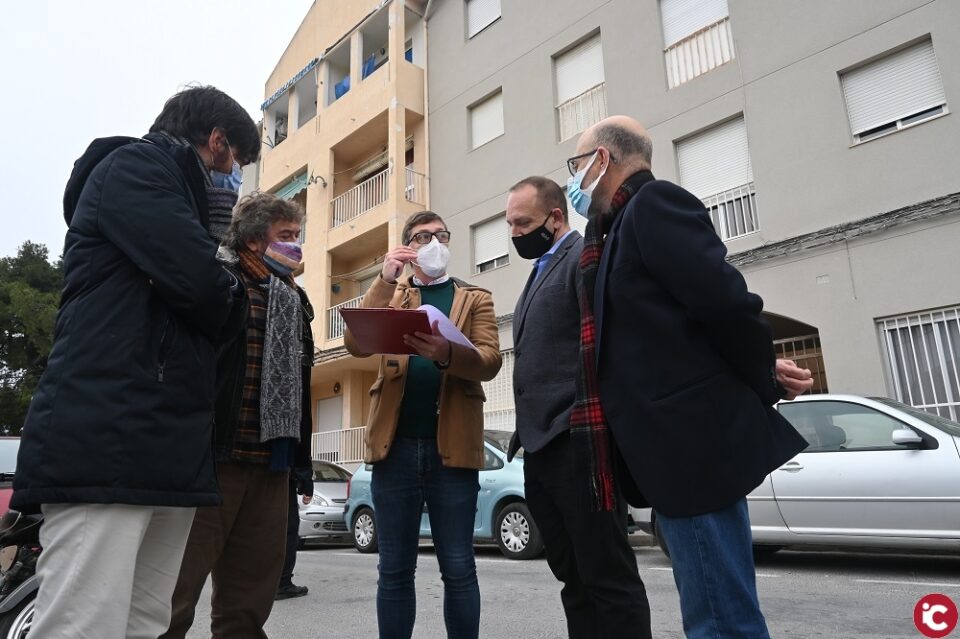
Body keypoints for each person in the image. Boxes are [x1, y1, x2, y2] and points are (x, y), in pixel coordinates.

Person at [10, 86, 258, 638]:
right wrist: (223, 285)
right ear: (217, 141)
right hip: (106, 443)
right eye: (238, 161)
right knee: (83, 623)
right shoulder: (134, 167)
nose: (236, 179)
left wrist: (217, 285)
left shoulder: (184, 208)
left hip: (165, 449)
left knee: (144, 623)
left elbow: (212, 302)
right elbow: (207, 289)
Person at [564, 115, 813, 639]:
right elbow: (678, 330)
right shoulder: (614, 230)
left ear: (602, 159)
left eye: (576, 164)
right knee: (714, 614)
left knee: (719, 621)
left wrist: (762, 379)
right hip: (670, 453)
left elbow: (726, 304)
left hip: (688, 449)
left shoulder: (654, 205)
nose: (574, 179)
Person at [162, 193, 316, 639]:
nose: (295, 244)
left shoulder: (294, 298)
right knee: (172, 600)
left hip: (272, 465)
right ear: (252, 239)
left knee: (248, 606)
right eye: (285, 235)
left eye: (297, 235)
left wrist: (300, 464)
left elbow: (301, 386)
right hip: (213, 460)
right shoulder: (219, 284)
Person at [505, 176, 652, 638]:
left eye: (522, 223)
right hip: (539, 448)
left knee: (607, 576)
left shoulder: (583, 258)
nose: (514, 234)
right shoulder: (540, 268)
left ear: (555, 216)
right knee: (572, 577)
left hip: (578, 443)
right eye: (510, 225)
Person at [344, 211, 502, 639]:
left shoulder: (475, 298)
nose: (433, 243)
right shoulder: (393, 295)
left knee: (459, 567)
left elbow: (490, 361)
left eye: (440, 235)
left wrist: (447, 353)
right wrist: (384, 279)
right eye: (421, 236)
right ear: (406, 247)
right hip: (394, 448)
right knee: (394, 568)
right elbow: (356, 344)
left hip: (453, 449)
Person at [277, 466, 315, 600]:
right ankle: (282, 583)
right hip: (280, 472)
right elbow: (300, 454)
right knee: (289, 528)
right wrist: (306, 483)